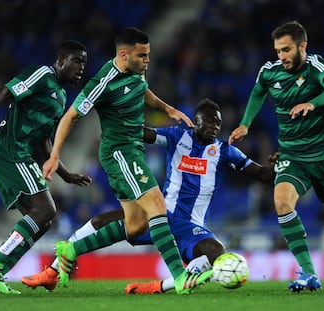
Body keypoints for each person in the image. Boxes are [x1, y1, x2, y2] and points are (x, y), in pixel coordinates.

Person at [22, 98, 277, 294]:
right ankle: (55, 269)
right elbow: (146, 133)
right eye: (209, 121)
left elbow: (263, 175)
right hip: (161, 215)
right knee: (101, 222)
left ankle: (158, 286)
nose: (215, 126)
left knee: (217, 252)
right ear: (196, 121)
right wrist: (117, 123)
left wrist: (279, 164)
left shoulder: (225, 151)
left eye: (218, 123)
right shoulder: (178, 136)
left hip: (192, 227)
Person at [40, 27, 212, 295]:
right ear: (123, 54)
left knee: (136, 226)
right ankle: (179, 276)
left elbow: (142, 89)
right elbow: (70, 117)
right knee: (156, 204)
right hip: (119, 152)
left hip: (134, 150)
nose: (147, 60)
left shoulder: (137, 71)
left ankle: (70, 250)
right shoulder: (103, 82)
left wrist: (168, 109)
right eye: (142, 55)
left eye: (148, 55)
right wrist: (54, 156)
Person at [229, 20, 324, 292]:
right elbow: (259, 90)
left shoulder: (316, 67)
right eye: (278, 51)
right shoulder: (270, 71)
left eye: (286, 50)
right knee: (282, 203)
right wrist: (246, 123)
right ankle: (308, 273)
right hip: (292, 155)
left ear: (302, 46)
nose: (281, 56)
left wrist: (313, 102)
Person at [0, 40, 92, 294]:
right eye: (77, 61)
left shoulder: (60, 97)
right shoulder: (42, 75)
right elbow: (8, 90)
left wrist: (65, 173)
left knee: (43, 219)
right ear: (61, 61)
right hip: (9, 151)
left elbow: (44, 140)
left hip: (17, 153)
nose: (81, 67)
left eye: (84, 62)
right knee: (45, 210)